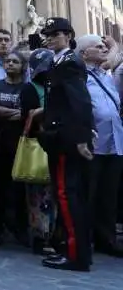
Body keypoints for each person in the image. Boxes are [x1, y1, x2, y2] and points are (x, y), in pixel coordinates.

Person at [39, 17, 94, 272]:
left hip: (66, 139)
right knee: (68, 196)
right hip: (61, 137)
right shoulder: (60, 61)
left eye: (55, 34)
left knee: (67, 195)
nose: (49, 38)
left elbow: (79, 102)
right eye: (48, 34)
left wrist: (82, 137)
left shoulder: (70, 63)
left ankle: (76, 255)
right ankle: (74, 251)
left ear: (68, 35)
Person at [74, 34, 123, 257]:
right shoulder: (78, 76)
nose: (103, 49)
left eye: (104, 46)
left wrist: (114, 46)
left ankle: (107, 239)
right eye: (98, 46)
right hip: (93, 144)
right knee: (89, 194)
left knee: (109, 195)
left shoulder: (105, 74)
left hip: (115, 143)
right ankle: (85, 240)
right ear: (84, 53)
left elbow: (112, 58)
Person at [0, 48, 28, 245]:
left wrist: (10, 113)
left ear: (23, 67)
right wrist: (14, 113)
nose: (10, 64)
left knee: (19, 186)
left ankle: (20, 226)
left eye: (15, 62)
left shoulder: (26, 88)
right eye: (8, 61)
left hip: (19, 143)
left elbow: (27, 113)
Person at [19, 49, 57, 255]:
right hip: (38, 147)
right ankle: (40, 237)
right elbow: (28, 116)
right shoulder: (29, 88)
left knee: (55, 196)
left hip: (58, 146)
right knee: (39, 197)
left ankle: (55, 235)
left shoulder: (56, 86)